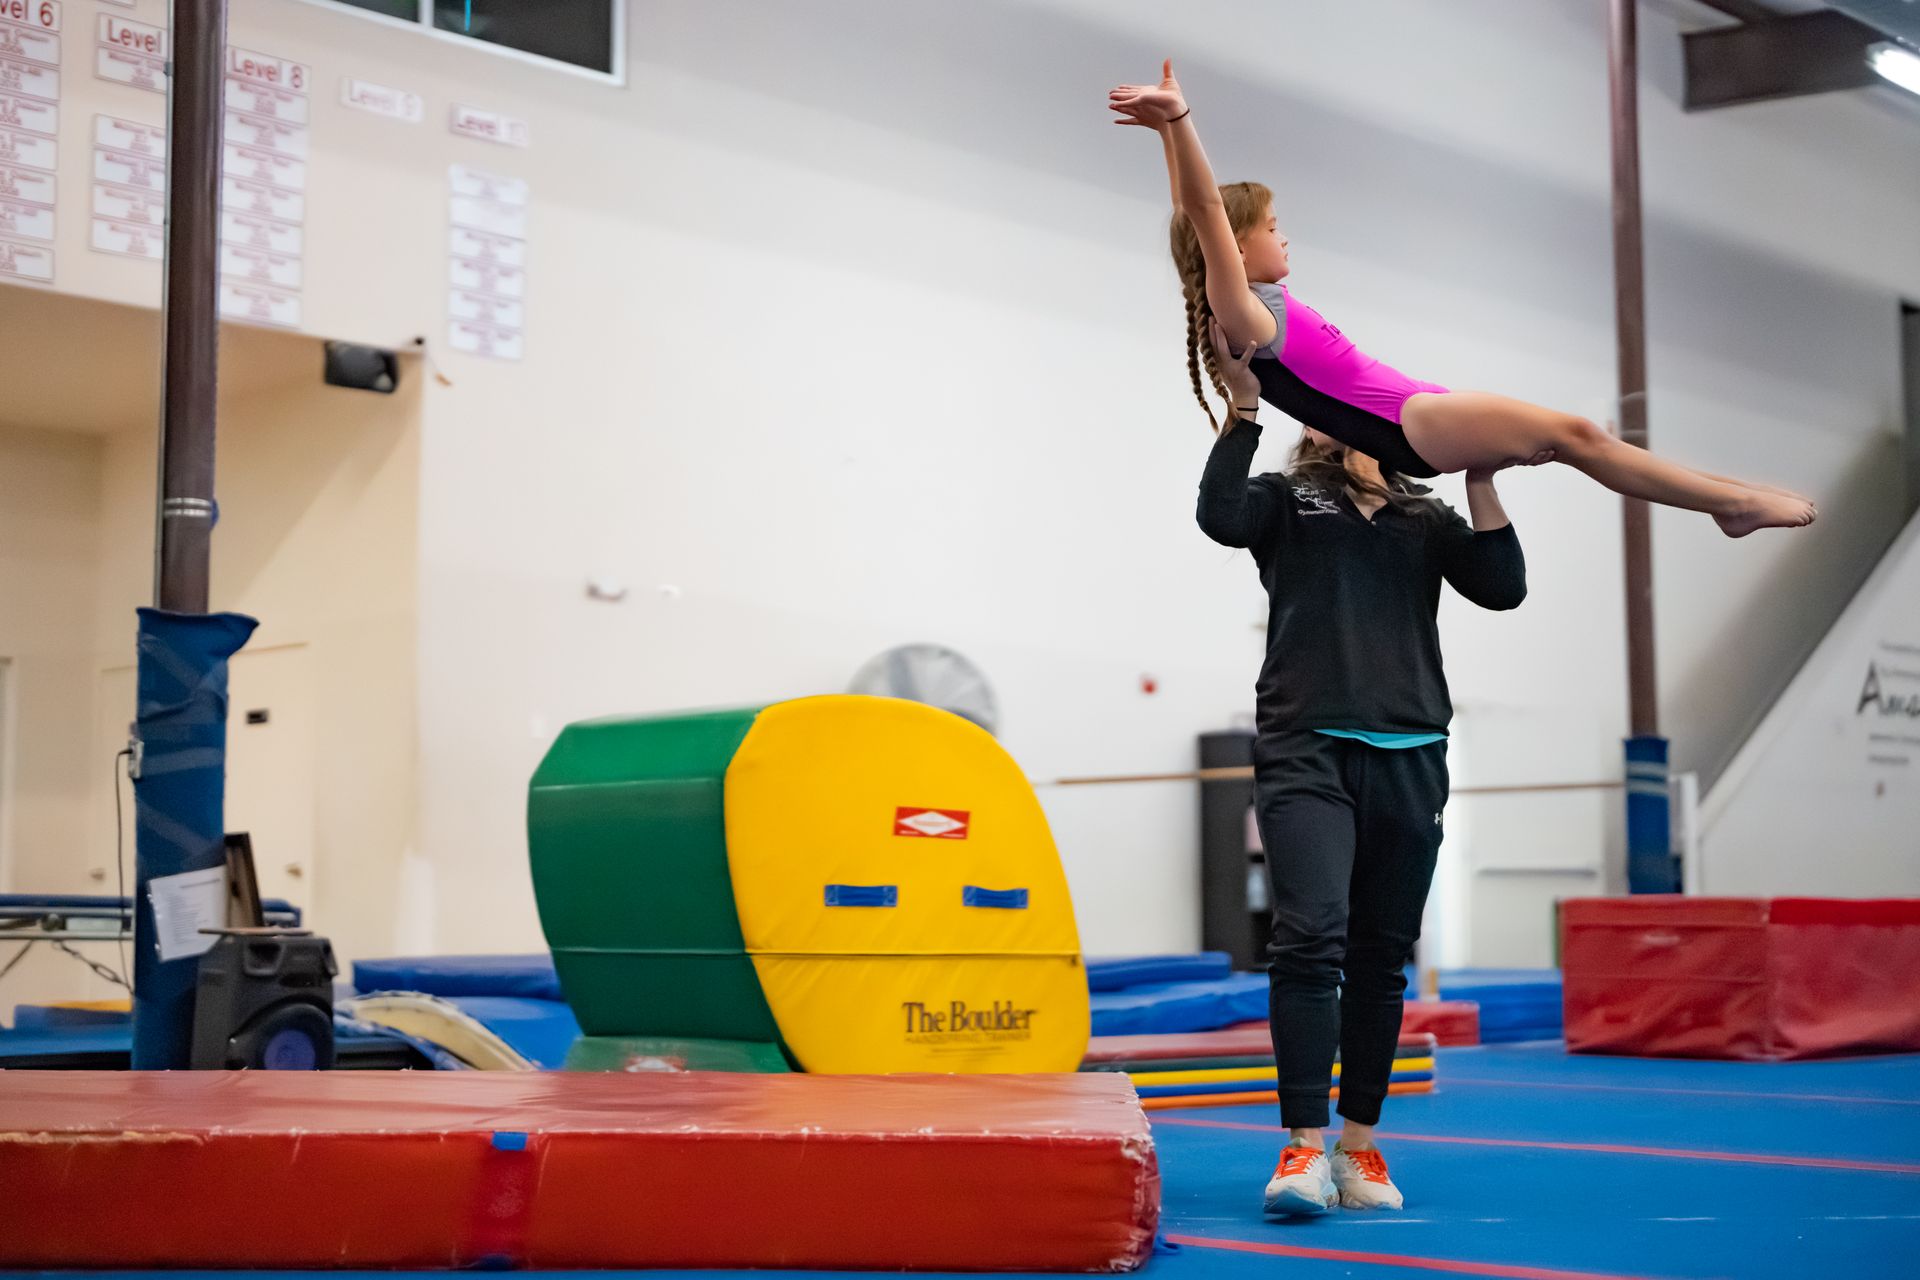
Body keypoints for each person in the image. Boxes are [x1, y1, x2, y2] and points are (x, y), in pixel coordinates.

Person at [1112, 61, 1816, 539]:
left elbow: (1193, 213)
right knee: (1579, 435)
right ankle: (1730, 505)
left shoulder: (1248, 305)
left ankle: (1727, 495)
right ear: (1235, 248)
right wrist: (1181, 121)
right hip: (1409, 424)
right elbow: (1204, 212)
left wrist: (1166, 137)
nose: (1286, 238)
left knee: (1577, 436)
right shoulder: (1248, 316)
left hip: (1415, 410)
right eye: (1272, 228)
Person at [1197, 319, 1539, 1216]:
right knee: (1310, 936)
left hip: (1410, 751)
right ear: (1310, 423)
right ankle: (1301, 1147)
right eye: (1322, 412)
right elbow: (1217, 517)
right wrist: (1241, 416)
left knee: (1383, 955)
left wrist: (1482, 477)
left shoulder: (1424, 519)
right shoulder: (1283, 500)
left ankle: (1361, 1148)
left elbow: (1502, 587)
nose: (1336, 421)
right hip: (1307, 744)